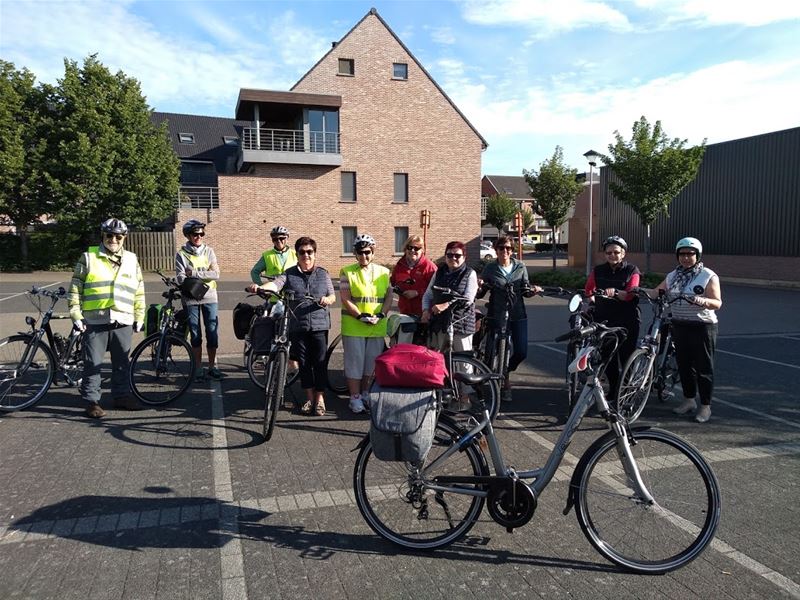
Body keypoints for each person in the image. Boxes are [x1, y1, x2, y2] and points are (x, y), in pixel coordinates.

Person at [247, 237, 336, 416]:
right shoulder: (289, 274)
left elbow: (332, 296)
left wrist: (327, 299)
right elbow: (276, 284)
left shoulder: (323, 274)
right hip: (298, 324)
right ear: (297, 254)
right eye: (302, 252)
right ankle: (309, 398)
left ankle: (320, 399)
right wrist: (260, 287)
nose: (306, 255)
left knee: (319, 363)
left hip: (319, 324)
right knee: (303, 363)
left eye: (309, 252)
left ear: (314, 254)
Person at [639, 237, 722, 423]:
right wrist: (638, 290)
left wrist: (703, 301)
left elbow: (717, 302)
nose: (685, 258)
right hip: (679, 324)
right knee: (684, 366)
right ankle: (689, 400)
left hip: (703, 326)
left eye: (690, 254)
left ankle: (705, 407)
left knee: (703, 368)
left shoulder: (708, 275)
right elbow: (657, 291)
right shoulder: (673, 276)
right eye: (682, 254)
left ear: (697, 255)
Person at [68, 218, 145, 418]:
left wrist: (140, 315)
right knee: (92, 362)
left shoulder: (131, 259)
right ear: (103, 235)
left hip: (123, 319)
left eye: (118, 236)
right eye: (109, 235)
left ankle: (121, 396)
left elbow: (138, 290)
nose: (114, 239)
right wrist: (75, 314)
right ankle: (92, 402)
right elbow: (75, 287)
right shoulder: (88, 257)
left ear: (124, 238)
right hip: (95, 320)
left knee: (122, 363)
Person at [477, 236, 541, 400]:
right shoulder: (490, 268)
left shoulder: (520, 266)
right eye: (501, 248)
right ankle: (499, 382)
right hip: (496, 314)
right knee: (492, 352)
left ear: (512, 250)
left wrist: (533, 290)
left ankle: (506, 371)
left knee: (521, 352)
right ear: (496, 250)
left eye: (508, 248)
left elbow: (525, 290)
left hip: (517, 314)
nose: (505, 251)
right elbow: (481, 292)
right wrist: (479, 285)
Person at [339, 234, 393, 414]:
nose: (364, 256)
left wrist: (382, 313)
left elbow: (388, 297)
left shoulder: (384, 272)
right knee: (355, 363)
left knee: (371, 364)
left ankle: (365, 393)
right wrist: (360, 315)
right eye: (360, 253)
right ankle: (354, 398)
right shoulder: (347, 271)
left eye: (368, 252)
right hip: (354, 324)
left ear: (373, 252)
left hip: (377, 324)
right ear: (355, 253)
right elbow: (345, 299)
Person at [584, 235, 641, 402]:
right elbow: (589, 289)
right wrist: (591, 302)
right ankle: (615, 390)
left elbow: (631, 293)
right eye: (609, 252)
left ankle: (626, 392)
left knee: (626, 357)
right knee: (607, 358)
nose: (612, 255)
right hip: (605, 319)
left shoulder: (632, 270)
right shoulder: (598, 270)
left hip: (627, 320)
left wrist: (615, 292)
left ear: (623, 253)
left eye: (616, 252)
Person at [175, 219, 222, 380]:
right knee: (195, 334)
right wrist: (204, 274)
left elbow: (216, 274)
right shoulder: (181, 254)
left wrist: (194, 274)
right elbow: (180, 278)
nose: (199, 236)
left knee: (212, 332)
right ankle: (198, 368)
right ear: (188, 235)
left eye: (202, 233)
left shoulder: (209, 251)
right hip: (191, 298)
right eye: (195, 234)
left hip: (209, 297)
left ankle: (212, 366)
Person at [422, 241, 478, 354]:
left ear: (464, 257)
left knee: (464, 363)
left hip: (461, 325)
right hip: (440, 324)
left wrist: (446, 305)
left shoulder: (469, 274)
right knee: (440, 361)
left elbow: (468, 300)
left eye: (457, 255)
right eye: (449, 255)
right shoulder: (439, 273)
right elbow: (428, 294)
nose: (453, 258)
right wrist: (425, 310)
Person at [391, 234, 437, 318]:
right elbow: (393, 283)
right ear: (405, 248)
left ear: (422, 250)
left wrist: (417, 293)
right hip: (404, 312)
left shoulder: (430, 267)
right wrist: (399, 291)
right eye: (410, 247)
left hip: (424, 315)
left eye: (416, 248)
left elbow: (436, 290)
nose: (412, 250)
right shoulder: (399, 266)